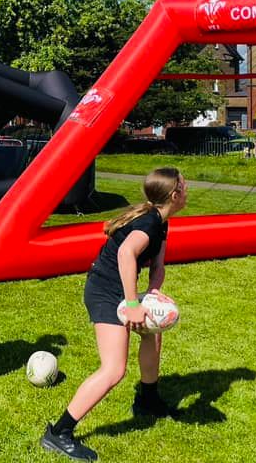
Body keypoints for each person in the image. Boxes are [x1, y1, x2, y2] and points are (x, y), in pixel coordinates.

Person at [40, 167, 188, 461]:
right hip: (105, 292)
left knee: (152, 334)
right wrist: (133, 304)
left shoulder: (161, 222)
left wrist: (152, 294)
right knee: (114, 369)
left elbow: (157, 265)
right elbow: (125, 255)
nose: (188, 190)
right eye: (184, 186)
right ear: (174, 194)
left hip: (123, 288)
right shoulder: (147, 223)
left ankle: (147, 399)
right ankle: (59, 433)